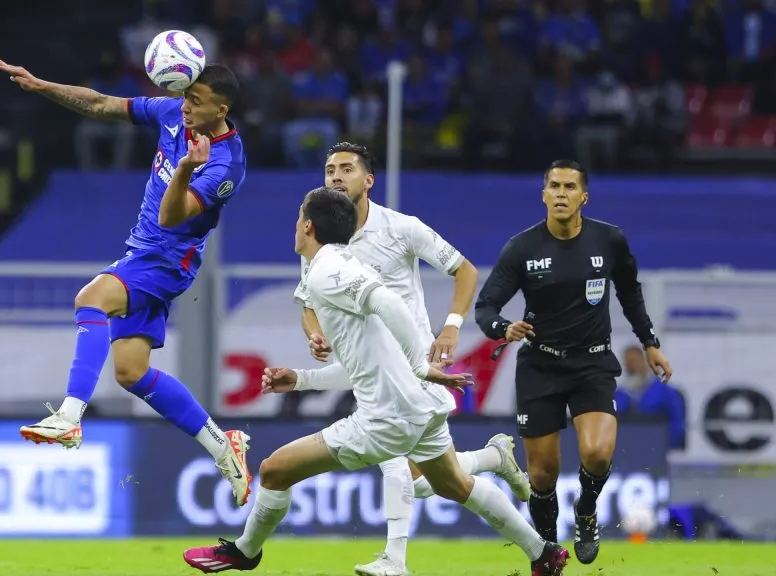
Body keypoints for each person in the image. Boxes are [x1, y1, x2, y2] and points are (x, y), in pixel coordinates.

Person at [183, 187, 570, 576]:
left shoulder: (328, 271)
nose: (296, 225)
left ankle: (249, 552)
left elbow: (388, 302)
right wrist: (300, 380)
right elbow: (362, 364)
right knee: (452, 483)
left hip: (388, 416)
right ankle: (542, 552)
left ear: (308, 225)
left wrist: (420, 365)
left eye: (299, 217)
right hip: (420, 403)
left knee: (274, 470)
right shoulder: (340, 265)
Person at [0, 58, 253, 506]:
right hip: (142, 252)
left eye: (196, 101)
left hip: (167, 261)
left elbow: (171, 217)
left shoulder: (226, 165)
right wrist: (42, 85)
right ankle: (221, 445)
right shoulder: (173, 113)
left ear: (221, 109)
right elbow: (100, 104)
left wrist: (186, 168)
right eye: (185, 97)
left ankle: (69, 416)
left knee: (91, 298)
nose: (186, 107)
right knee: (131, 372)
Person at [288, 142, 531, 576]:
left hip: (415, 365)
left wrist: (452, 326)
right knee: (428, 482)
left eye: (346, 169)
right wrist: (316, 334)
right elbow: (308, 304)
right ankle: (494, 460)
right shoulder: (322, 238)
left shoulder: (402, 228)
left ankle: (395, 559)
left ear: (368, 180)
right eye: (329, 170)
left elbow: (465, 270)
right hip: (370, 368)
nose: (336, 176)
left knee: (397, 463)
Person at [474, 159, 674, 565]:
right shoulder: (522, 248)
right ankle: (548, 554)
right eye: (554, 186)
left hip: (592, 363)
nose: (561, 194)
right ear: (543, 194)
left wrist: (649, 343)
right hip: (540, 366)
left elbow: (630, 294)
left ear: (584, 197)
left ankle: (586, 510)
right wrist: (503, 328)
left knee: (597, 453)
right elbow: (486, 307)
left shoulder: (609, 240)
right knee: (541, 476)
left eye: (569, 187)